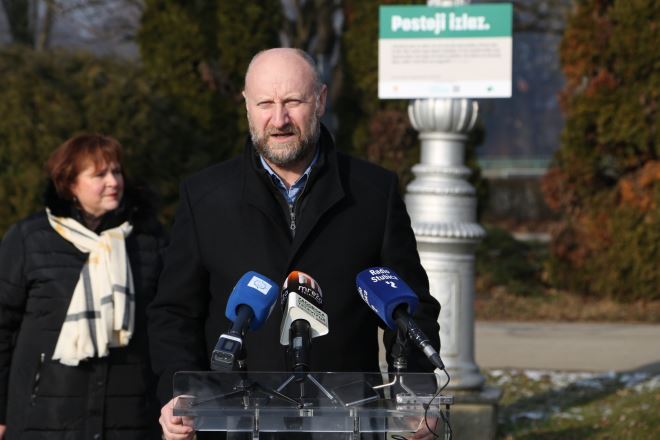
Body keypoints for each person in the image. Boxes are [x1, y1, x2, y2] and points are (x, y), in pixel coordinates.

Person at [148, 48, 441, 440]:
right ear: (246, 106)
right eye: (265, 104)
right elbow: (174, 313)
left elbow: (410, 307)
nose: (279, 119)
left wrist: (415, 393)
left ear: (320, 100)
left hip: (346, 421)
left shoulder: (374, 192)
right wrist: (178, 392)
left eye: (292, 102)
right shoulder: (204, 197)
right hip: (233, 423)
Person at [0, 134, 166, 439]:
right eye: (99, 174)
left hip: (130, 418)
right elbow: (2, 326)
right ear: (69, 183)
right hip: (45, 418)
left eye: (116, 171)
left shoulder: (149, 241)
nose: (113, 182)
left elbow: (167, 325)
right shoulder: (29, 239)